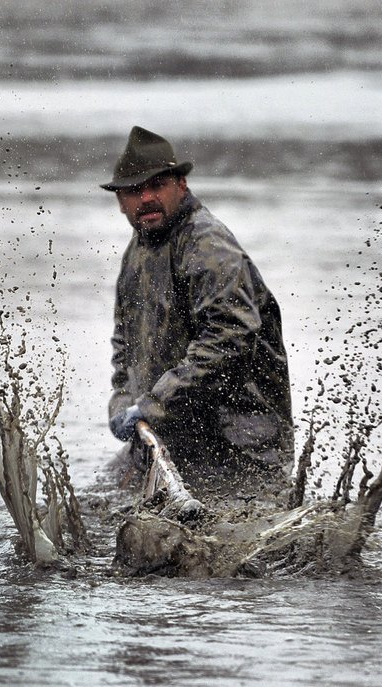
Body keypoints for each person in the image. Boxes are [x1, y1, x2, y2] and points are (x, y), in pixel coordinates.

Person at [104, 126, 292, 499]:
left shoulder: (208, 246)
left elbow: (229, 340)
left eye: (157, 185)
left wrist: (153, 405)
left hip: (238, 446)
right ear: (121, 202)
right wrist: (124, 402)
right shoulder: (137, 251)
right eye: (135, 191)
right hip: (169, 436)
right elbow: (125, 342)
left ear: (181, 185)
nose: (147, 198)